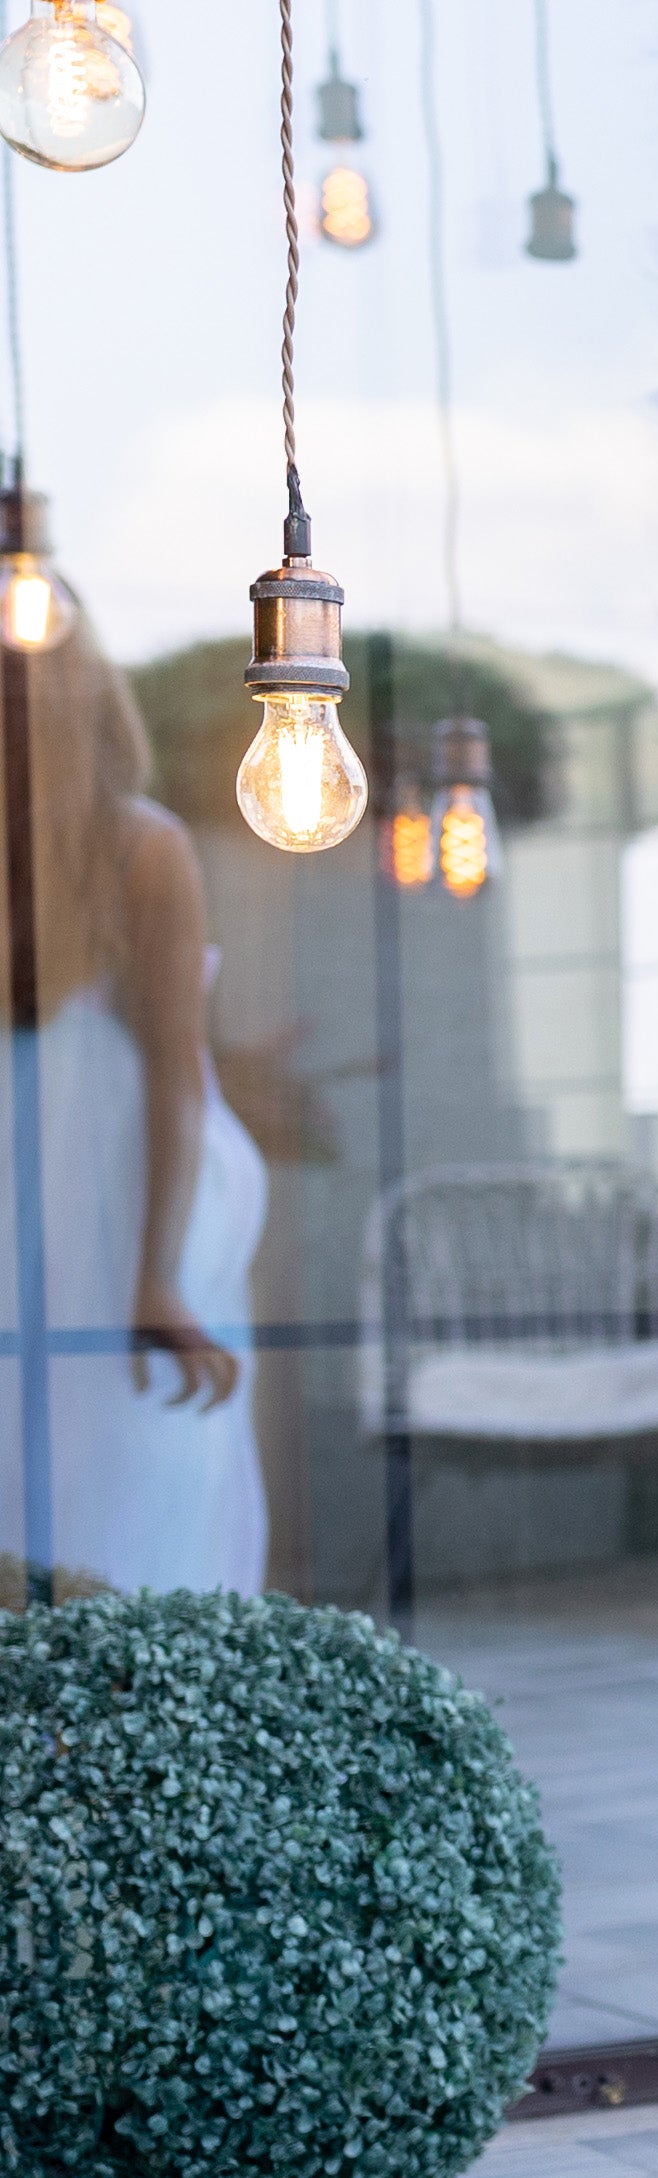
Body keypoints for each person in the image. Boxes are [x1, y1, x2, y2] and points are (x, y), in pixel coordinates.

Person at [0, 622, 265, 1598]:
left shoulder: (137, 849)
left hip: (110, 1211)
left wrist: (156, 1277)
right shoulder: (135, 848)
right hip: (71, 1212)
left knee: (112, 1479)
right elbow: (174, 1072)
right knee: (87, 1486)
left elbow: (174, 1074)